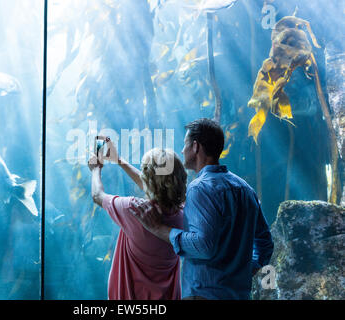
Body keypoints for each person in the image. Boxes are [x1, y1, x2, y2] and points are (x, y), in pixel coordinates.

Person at [131, 118, 274, 300]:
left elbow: (204, 246)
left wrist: (158, 229)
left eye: (185, 145)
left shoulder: (200, 188)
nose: (182, 150)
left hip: (204, 295)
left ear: (196, 147)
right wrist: (248, 267)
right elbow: (265, 242)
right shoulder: (246, 189)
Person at [88, 136, 187, 300]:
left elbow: (97, 196)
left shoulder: (135, 211)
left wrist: (96, 169)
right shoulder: (184, 214)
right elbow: (158, 186)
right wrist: (119, 160)